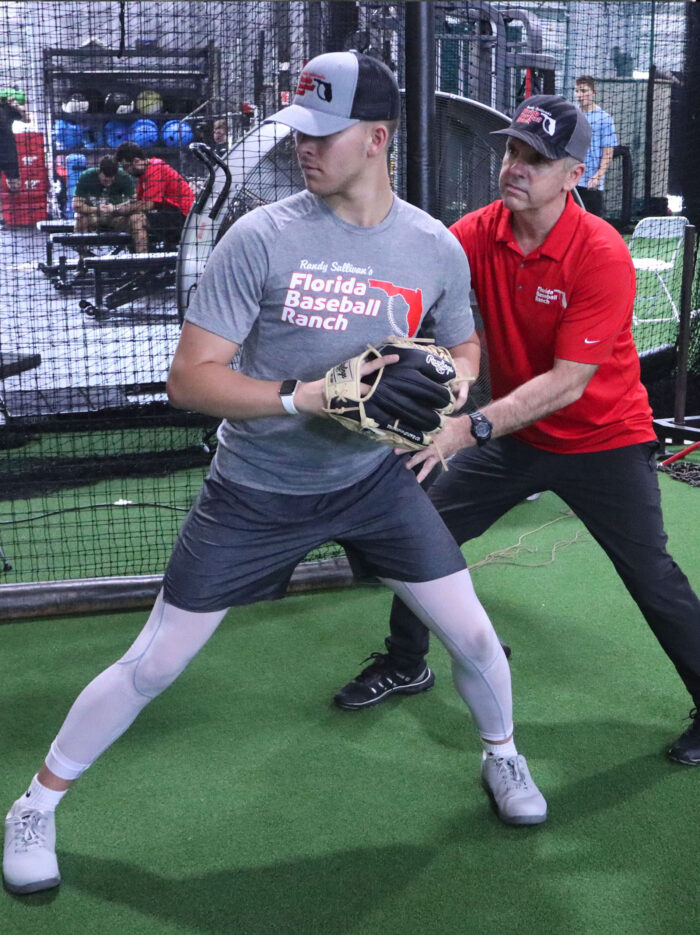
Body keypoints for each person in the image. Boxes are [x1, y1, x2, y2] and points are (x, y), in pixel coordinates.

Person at [3, 51, 546, 897]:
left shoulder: (432, 246)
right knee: (154, 664)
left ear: (377, 137)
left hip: (373, 482)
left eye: (324, 134)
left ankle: (504, 756)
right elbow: (191, 379)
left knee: (473, 634)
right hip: (255, 491)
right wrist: (309, 394)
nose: (306, 148)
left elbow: (464, 345)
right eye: (301, 132)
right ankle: (35, 803)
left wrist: (452, 385)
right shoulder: (260, 237)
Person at [335, 94, 700, 771]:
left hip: (603, 440)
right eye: (512, 151)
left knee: (650, 572)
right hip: (516, 438)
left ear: (574, 173)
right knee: (418, 529)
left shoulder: (600, 253)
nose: (515, 167)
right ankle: (407, 661)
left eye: (536, 158)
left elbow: (567, 381)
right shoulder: (476, 233)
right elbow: (411, 286)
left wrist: (466, 426)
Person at [113, 141, 194, 251]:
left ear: (136, 161)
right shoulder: (144, 174)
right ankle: (149, 259)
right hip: (169, 214)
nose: (127, 171)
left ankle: (144, 265)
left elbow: (147, 205)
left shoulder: (155, 168)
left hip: (183, 217)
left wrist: (117, 210)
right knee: (128, 219)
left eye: (126, 167)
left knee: (137, 219)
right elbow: (138, 202)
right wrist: (114, 208)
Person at [574, 75, 617, 216]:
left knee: (591, 224)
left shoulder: (605, 119)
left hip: (591, 183)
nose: (580, 95)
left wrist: (598, 176)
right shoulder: (572, 114)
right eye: (577, 91)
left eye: (584, 91)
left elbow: (608, 152)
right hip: (571, 180)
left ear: (593, 92)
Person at [72, 154, 138, 236]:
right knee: (80, 218)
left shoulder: (124, 177)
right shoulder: (87, 176)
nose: (109, 183)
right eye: (105, 180)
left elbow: (135, 202)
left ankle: (134, 246)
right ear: (99, 172)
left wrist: (115, 208)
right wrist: (96, 209)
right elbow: (76, 205)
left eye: (111, 180)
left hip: (116, 216)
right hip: (93, 216)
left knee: (135, 219)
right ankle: (82, 247)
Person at [0, 90, 29, 225]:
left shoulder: (8, 109)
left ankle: (14, 213)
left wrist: (16, 106)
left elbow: (27, 119)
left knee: (15, 185)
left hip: (9, 152)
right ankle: (1, 218)